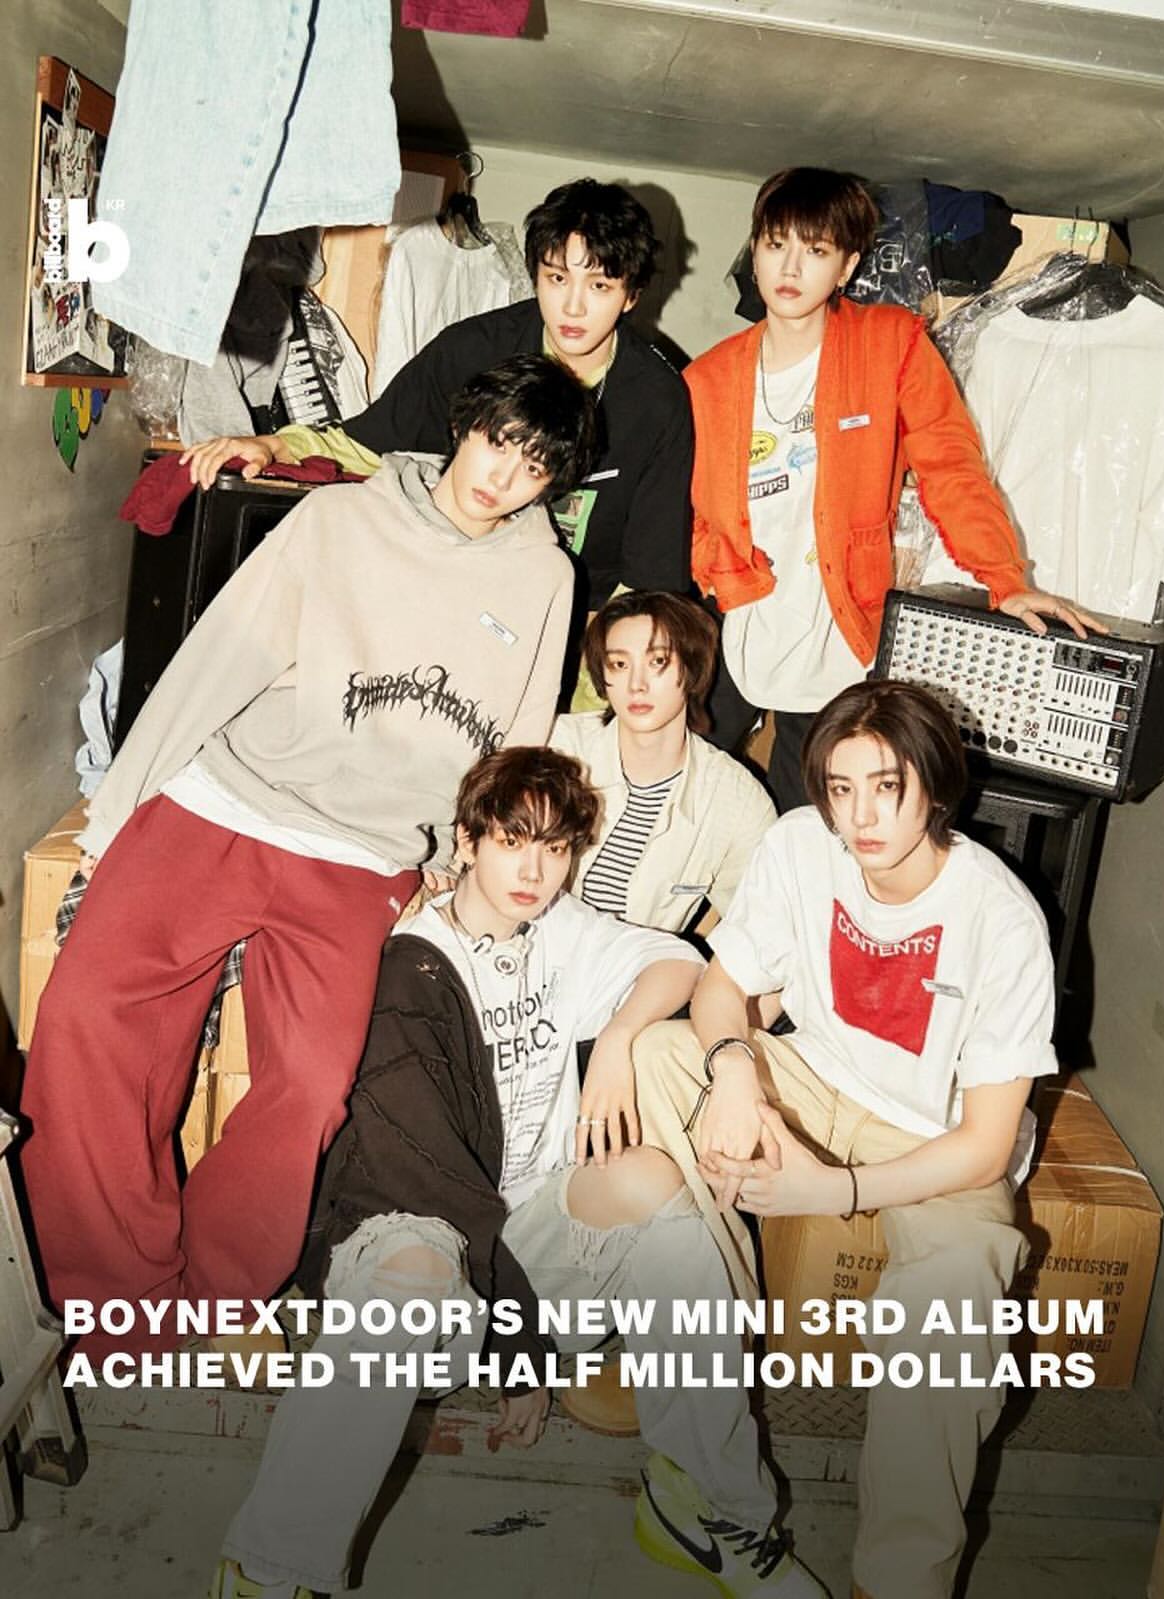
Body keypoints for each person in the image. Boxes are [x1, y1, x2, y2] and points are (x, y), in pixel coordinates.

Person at [20, 356, 594, 1366]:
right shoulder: (336, 521)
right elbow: (213, 665)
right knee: (85, 1017)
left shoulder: (545, 578)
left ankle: (206, 1301)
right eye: (496, 442)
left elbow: (515, 744)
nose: (503, 477)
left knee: (317, 1085)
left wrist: (458, 867)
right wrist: (113, 818)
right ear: (464, 427)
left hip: (365, 853)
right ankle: (114, 1302)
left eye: (535, 467)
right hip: (229, 799)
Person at [212, 746, 826, 1599]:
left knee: (652, 1181)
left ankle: (708, 1505)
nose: (535, 870)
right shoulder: (410, 964)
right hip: (418, 1251)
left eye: (556, 847)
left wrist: (619, 1039)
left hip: (525, 1249)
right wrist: (522, 1355)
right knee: (414, 1272)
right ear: (467, 842)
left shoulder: (558, 928)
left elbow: (682, 963)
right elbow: (428, 1187)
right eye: (512, 841)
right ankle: (267, 1567)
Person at [633, 680, 1059, 1599]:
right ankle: (707, 1421)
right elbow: (723, 989)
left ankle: (898, 1580)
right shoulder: (802, 845)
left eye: (886, 787)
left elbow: (986, 1145)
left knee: (953, 1304)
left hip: (936, 1139)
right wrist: (735, 1071)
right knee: (664, 1056)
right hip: (815, 1077)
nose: (859, 816)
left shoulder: (1003, 920)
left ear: (934, 788)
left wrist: (839, 1192)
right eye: (840, 787)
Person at [686, 166, 1100, 810]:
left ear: (847, 266)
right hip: (738, 610)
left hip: (840, 619)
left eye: (815, 250)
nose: (790, 268)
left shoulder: (890, 344)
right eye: (775, 245)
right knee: (681, 792)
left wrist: (1005, 578)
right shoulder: (707, 377)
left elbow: (951, 467)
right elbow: (691, 505)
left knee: (813, 811)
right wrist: (711, 568)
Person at [182, 178, 693, 614]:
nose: (573, 307)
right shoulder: (473, 350)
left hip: (582, 617)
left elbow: (649, 580)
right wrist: (273, 446)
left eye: (599, 286)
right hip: (449, 588)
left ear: (631, 295)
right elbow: (368, 443)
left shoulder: (659, 402)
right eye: (557, 278)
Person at [551, 588, 776, 933]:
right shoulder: (558, 747)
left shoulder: (736, 801)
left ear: (692, 668)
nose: (636, 685)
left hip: (644, 964)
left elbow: (763, 930)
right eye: (620, 664)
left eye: (657, 662)